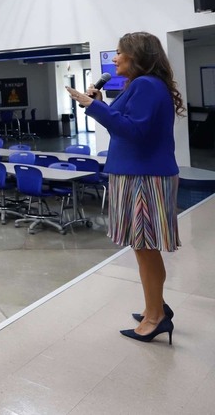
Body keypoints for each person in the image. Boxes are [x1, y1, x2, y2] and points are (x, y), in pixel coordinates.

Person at [66, 31, 183, 343]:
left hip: (143, 176)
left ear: (137, 56)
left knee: (145, 248)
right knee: (142, 247)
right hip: (136, 173)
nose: (114, 58)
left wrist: (93, 105)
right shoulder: (141, 85)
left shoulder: (145, 85)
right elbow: (127, 124)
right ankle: (153, 307)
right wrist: (101, 105)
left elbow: (135, 132)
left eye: (119, 53)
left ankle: (156, 316)